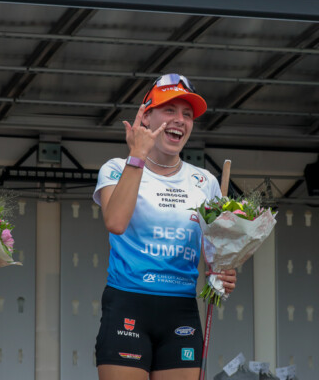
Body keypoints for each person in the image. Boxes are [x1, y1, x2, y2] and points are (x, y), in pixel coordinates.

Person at [93, 74, 237, 380]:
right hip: (127, 304)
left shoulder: (205, 182)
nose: (180, 120)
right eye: (170, 110)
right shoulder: (117, 168)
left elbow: (215, 256)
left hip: (181, 310)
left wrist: (223, 272)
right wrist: (138, 156)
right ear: (146, 115)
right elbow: (115, 222)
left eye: (187, 114)